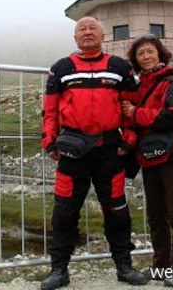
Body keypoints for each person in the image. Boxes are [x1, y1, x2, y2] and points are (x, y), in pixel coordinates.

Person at [40, 16, 148, 290]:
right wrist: (49, 142)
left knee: (116, 210)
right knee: (64, 212)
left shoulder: (119, 67)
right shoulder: (61, 68)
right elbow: (50, 110)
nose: (87, 32)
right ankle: (59, 270)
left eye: (93, 29)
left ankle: (124, 267)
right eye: (82, 29)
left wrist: (130, 139)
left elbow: (130, 106)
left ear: (102, 35)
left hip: (109, 150)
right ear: (75, 37)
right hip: (72, 150)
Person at [121, 34, 173, 288]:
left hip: (172, 154)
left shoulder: (172, 83)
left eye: (151, 51)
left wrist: (136, 113)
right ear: (136, 60)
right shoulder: (140, 88)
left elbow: (171, 116)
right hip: (149, 156)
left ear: (160, 54)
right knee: (156, 214)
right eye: (141, 54)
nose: (146, 57)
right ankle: (160, 266)